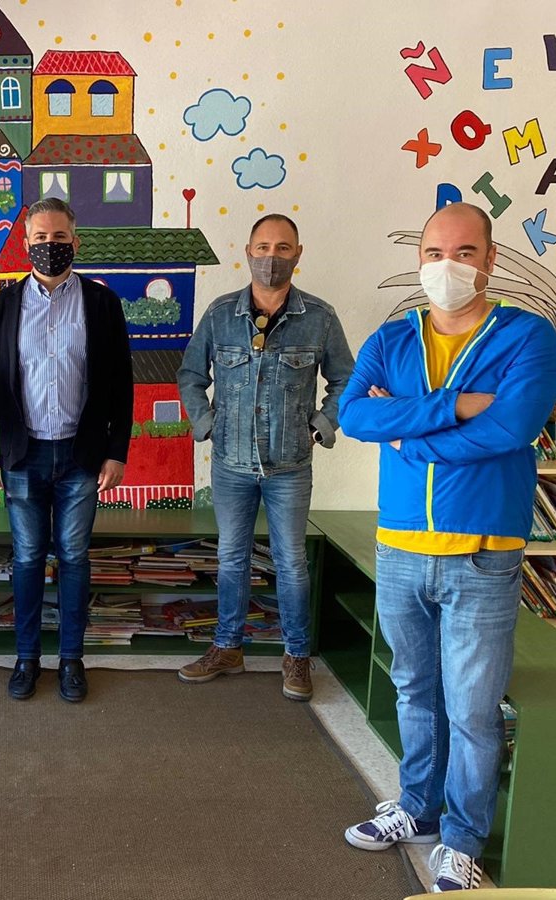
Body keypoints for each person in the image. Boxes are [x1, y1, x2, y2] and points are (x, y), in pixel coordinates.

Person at [338, 202, 556, 891]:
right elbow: (354, 414)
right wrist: (456, 405)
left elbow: (512, 427)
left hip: (483, 553)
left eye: (464, 253)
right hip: (401, 547)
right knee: (414, 690)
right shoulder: (392, 337)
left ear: (490, 259)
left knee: (471, 708)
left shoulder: (527, 337)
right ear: (420, 261)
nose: (447, 266)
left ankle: (462, 840)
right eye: (434, 253)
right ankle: (417, 808)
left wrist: (406, 435)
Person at [176, 214, 354, 701]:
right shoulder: (220, 314)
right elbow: (190, 375)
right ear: (247, 252)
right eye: (262, 247)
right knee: (231, 559)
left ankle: (296, 656)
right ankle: (227, 648)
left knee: (291, 562)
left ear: (298, 254)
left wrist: (321, 427)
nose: (271, 257)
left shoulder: (320, 317)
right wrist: (206, 424)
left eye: (282, 248)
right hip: (230, 465)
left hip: (289, 467)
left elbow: (347, 381)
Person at [0, 197, 133, 703]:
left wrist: (117, 451)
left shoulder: (103, 305)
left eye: (59, 237)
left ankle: (71, 660)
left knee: (75, 557)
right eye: (40, 238)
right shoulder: (1, 308)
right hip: (23, 456)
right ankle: (26, 658)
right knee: (26, 558)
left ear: (75, 242)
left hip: (83, 456)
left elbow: (121, 385)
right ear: (25, 245)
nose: (50, 246)